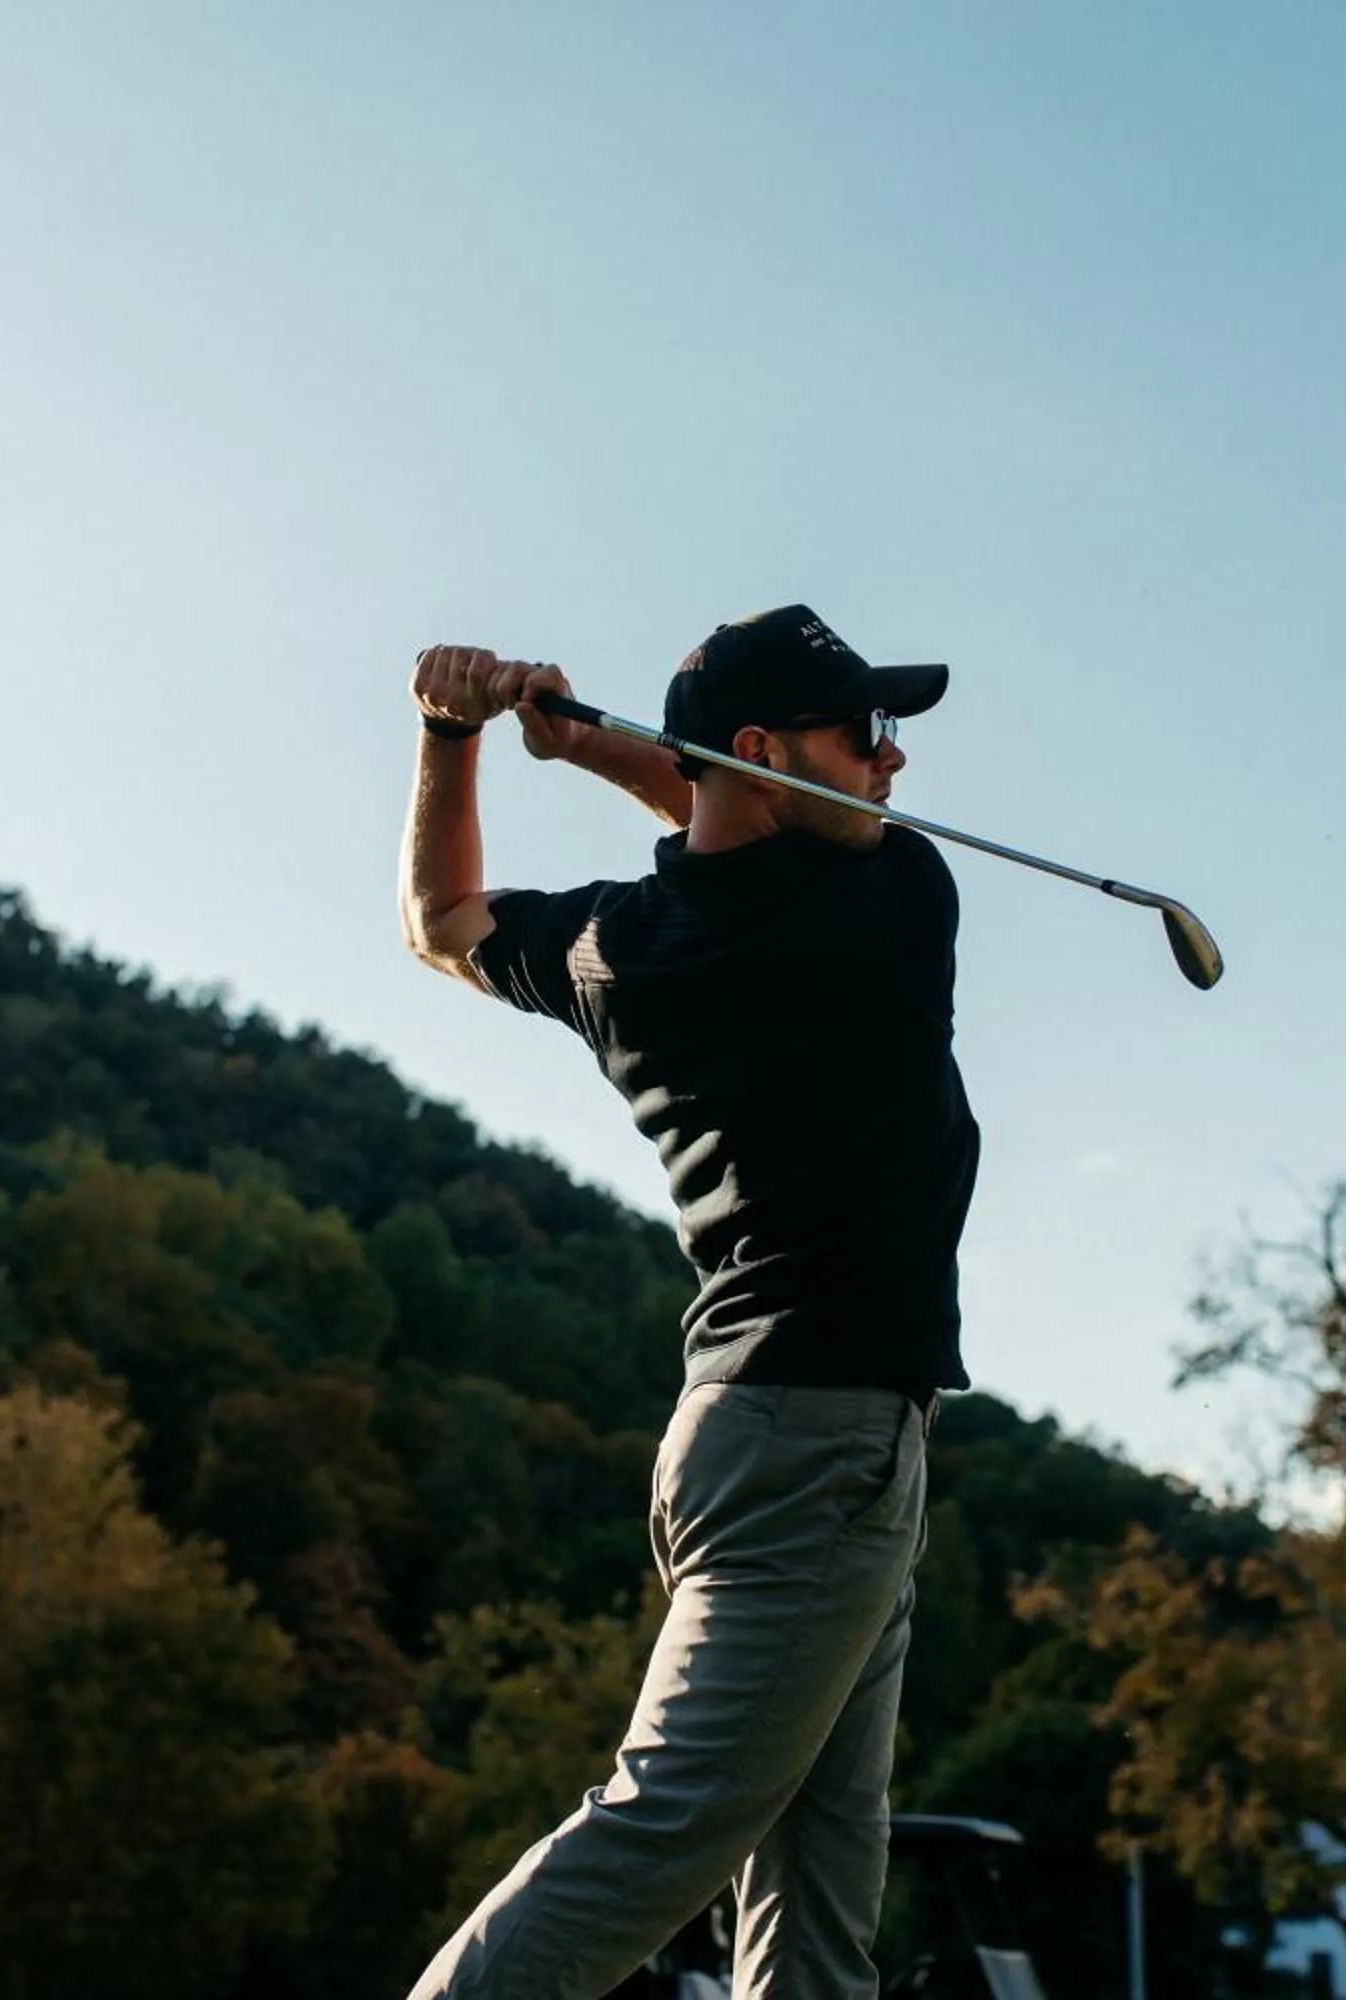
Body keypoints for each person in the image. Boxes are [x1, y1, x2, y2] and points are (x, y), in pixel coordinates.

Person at [397, 603, 981, 2000]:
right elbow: (723, 797)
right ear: (773, 751)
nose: (895, 765)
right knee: (665, 1830)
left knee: (821, 1884)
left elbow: (443, 923)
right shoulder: (891, 902)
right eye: (869, 737)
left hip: (763, 1438)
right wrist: (594, 747)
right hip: (817, 1445)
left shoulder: (619, 951)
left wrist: (453, 740)